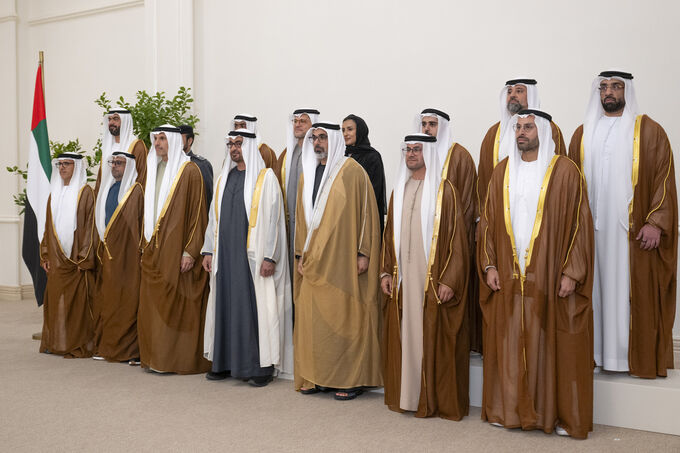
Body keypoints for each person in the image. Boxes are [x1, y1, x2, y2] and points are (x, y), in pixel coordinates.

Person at [479, 110, 594, 438]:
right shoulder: (502, 171)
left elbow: (580, 226)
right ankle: (512, 411)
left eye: (528, 127)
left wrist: (572, 271)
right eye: (518, 127)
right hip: (510, 273)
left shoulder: (565, 171)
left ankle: (551, 415)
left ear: (542, 131)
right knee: (512, 341)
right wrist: (489, 265)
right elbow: (487, 223)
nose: (521, 133)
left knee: (550, 345)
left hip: (550, 273)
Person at [568, 71, 677, 378]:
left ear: (626, 90)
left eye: (616, 86)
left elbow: (664, 177)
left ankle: (627, 357)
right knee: (594, 290)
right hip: (591, 232)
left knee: (629, 292)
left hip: (629, 233)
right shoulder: (582, 133)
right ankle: (596, 354)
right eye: (603, 87)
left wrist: (656, 221)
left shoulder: (649, 131)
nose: (609, 92)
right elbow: (568, 183)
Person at [380, 133, 469, 420]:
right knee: (405, 335)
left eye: (417, 150)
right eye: (408, 150)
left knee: (431, 338)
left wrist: (450, 280)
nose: (411, 155)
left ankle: (430, 400)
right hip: (404, 279)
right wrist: (385, 270)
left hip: (431, 281)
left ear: (428, 153)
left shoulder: (445, 192)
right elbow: (388, 236)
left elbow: (457, 241)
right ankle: (407, 396)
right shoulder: (399, 190)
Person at [294, 121, 382, 400]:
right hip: (312, 261)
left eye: (322, 138)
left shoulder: (352, 172)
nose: (318, 143)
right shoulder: (308, 173)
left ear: (334, 141)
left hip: (343, 258)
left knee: (344, 318)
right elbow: (300, 220)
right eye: (314, 139)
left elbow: (368, 214)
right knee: (313, 320)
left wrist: (363, 252)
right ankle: (316, 376)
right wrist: (299, 254)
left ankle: (347, 379)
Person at [202, 129, 293, 386]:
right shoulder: (223, 178)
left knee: (253, 310)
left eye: (239, 144)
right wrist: (208, 250)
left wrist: (270, 257)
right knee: (224, 306)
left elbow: (275, 221)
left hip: (252, 261)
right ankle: (224, 362)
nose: (234, 149)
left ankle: (258, 367)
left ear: (250, 147)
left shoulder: (266, 179)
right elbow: (213, 219)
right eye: (230, 144)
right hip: (225, 258)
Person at [138, 125, 210, 374]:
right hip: (154, 248)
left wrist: (190, 251)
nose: (157, 143)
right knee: (154, 305)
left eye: (162, 139)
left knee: (175, 304)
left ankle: (174, 360)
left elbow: (199, 214)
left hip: (177, 247)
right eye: (155, 139)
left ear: (172, 140)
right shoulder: (155, 167)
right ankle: (155, 357)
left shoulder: (189, 171)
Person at [416, 108, 480, 353]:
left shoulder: (460, 157)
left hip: (453, 247)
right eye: (424, 124)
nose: (427, 129)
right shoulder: (420, 156)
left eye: (432, 124)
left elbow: (467, 206)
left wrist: (457, 252)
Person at [39, 153, 96, 358]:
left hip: (76, 259)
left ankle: (77, 343)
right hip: (56, 258)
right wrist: (45, 254)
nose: (62, 168)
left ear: (77, 167)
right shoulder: (53, 193)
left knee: (77, 304)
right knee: (55, 300)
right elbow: (47, 227)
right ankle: (56, 342)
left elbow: (91, 227)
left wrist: (84, 257)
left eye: (67, 164)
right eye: (60, 164)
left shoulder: (86, 192)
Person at [92, 151, 144, 364]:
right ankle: (110, 347)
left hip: (129, 256)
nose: (114, 166)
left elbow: (139, 225)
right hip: (109, 254)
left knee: (129, 301)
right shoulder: (108, 189)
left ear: (129, 166)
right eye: (112, 162)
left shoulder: (136, 191)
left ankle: (130, 351)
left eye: (119, 163)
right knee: (110, 300)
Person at [275, 108, 319, 288]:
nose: (298, 124)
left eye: (303, 121)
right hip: (289, 226)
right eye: (296, 121)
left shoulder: (318, 154)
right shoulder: (287, 155)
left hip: (310, 226)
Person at [342, 114, 387, 234]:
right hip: (343, 216)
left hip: (364, 217)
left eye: (350, 129)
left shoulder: (372, 156)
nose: (345, 133)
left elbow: (374, 190)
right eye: (343, 130)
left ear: (360, 131)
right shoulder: (342, 156)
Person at [95, 109, 147, 194]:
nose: (111, 122)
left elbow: (142, 178)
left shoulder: (136, 146)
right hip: (105, 198)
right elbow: (100, 179)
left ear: (125, 121)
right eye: (109, 119)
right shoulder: (107, 148)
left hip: (126, 199)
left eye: (115, 119)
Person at [179, 124, 213, 214]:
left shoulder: (201, 164)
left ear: (189, 141)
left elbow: (207, 198)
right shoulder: (168, 163)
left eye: (179, 139)